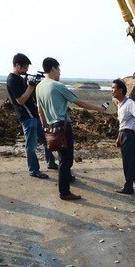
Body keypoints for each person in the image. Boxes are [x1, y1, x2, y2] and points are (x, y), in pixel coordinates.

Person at [35, 57, 108, 201]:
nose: (60, 73)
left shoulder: (39, 87)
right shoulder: (58, 86)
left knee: (62, 157)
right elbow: (79, 102)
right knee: (66, 160)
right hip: (63, 127)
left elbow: (40, 110)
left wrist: (45, 127)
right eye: (59, 69)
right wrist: (99, 109)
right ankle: (64, 192)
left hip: (51, 126)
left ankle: (68, 177)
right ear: (54, 68)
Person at [6, 52, 57, 178]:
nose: (26, 70)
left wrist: (32, 84)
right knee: (31, 145)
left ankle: (51, 162)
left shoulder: (20, 78)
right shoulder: (12, 80)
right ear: (17, 65)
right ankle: (34, 170)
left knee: (46, 140)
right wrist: (30, 87)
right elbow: (20, 100)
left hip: (34, 115)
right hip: (27, 116)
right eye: (24, 67)